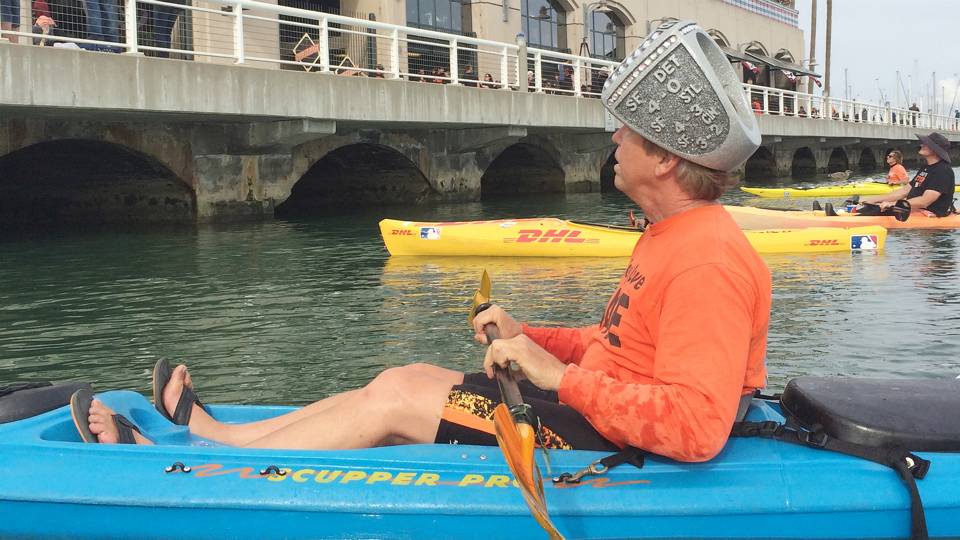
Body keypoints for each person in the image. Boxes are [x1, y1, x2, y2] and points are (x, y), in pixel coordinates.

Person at [72, 21, 773, 464]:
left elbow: (696, 425)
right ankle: (217, 435)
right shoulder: (671, 235)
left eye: (628, 131)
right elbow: (621, 345)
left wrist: (559, 380)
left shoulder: (707, 259)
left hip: (605, 438)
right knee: (397, 378)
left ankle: (209, 461)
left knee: (400, 400)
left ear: (667, 159)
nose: (614, 138)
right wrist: (533, 335)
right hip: (593, 410)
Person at [861, 133, 955, 217]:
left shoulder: (943, 171)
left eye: (926, 144)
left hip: (927, 214)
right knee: (867, 209)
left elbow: (925, 201)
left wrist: (893, 204)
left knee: (868, 214)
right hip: (911, 210)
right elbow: (903, 192)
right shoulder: (925, 168)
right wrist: (874, 199)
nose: (922, 145)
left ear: (935, 150)